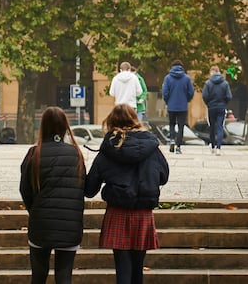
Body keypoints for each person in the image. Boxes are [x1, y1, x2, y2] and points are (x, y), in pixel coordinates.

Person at [85, 104, 169, 284]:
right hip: (143, 211)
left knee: (122, 267)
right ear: (134, 120)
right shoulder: (152, 146)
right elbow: (163, 176)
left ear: (111, 121)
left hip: (117, 211)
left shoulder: (108, 149)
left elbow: (90, 189)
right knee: (138, 268)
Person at [20, 106, 86, 284]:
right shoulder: (76, 154)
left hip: (41, 222)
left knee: (38, 276)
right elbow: (81, 188)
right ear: (65, 126)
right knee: (64, 277)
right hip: (70, 226)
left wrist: (35, 210)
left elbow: (25, 190)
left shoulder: (35, 153)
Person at [162, 59, 194, 154]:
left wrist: (168, 101)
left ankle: (172, 139)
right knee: (181, 126)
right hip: (182, 106)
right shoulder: (187, 78)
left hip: (171, 106)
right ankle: (178, 147)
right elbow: (191, 92)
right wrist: (187, 99)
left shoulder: (168, 78)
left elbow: (165, 92)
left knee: (171, 124)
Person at [202, 66, 232, 156]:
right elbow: (229, 96)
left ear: (212, 72)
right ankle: (219, 147)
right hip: (221, 107)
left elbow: (204, 96)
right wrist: (224, 103)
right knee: (220, 127)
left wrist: (208, 104)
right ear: (218, 72)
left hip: (211, 107)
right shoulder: (225, 84)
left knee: (212, 127)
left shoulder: (208, 83)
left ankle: (212, 146)